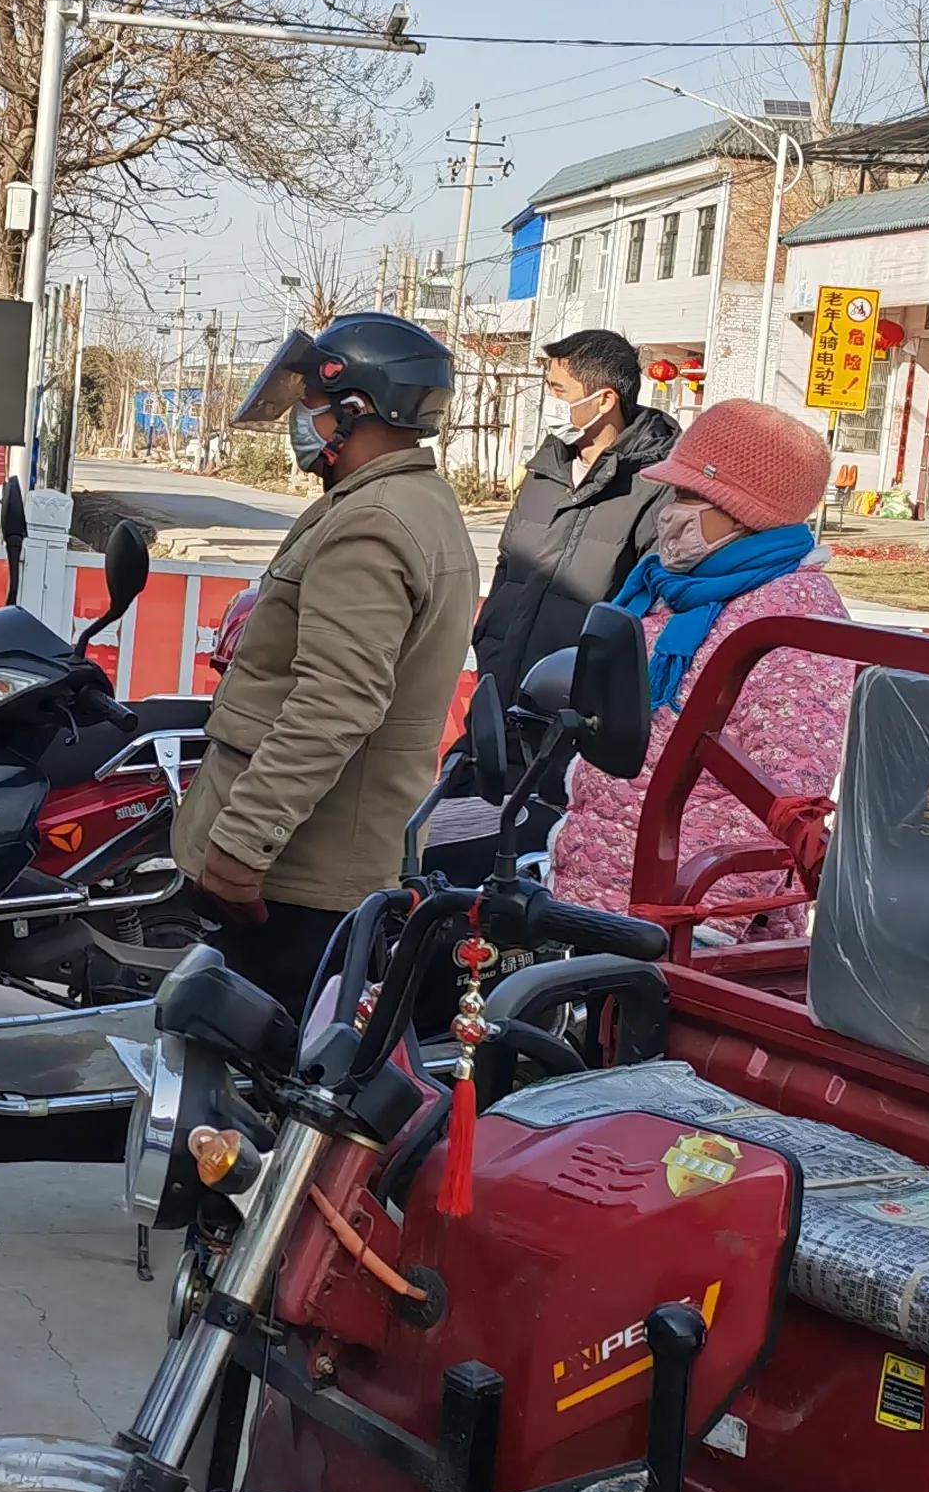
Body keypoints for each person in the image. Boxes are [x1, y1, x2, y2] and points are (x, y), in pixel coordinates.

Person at [173, 315, 480, 1013]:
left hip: (301, 883)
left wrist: (242, 845)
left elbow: (334, 704)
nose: (301, 420)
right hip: (327, 866)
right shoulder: (409, 502)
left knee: (257, 1098)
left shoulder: (372, 523)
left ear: (355, 409)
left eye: (312, 401)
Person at [544, 399, 856, 930]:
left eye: (690, 495)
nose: (669, 511)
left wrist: (708, 921)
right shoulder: (669, 588)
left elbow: (780, 790)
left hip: (682, 918)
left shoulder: (791, 619)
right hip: (603, 889)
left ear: (745, 510)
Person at [469, 328, 677, 702]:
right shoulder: (546, 467)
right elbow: (507, 564)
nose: (548, 401)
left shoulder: (656, 483)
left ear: (604, 400)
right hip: (500, 681)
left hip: (580, 702)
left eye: (558, 390)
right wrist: (489, 638)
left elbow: (652, 602)